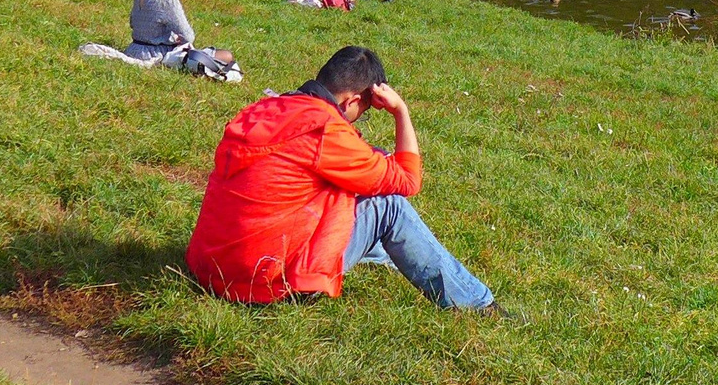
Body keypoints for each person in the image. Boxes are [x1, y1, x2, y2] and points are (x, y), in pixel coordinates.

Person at [184, 45, 494, 310]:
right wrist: (402, 112)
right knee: (388, 206)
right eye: (366, 109)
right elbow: (409, 180)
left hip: (211, 268)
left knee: (351, 193)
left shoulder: (267, 108)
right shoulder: (327, 130)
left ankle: (395, 252)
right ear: (352, 101)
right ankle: (476, 303)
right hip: (264, 284)